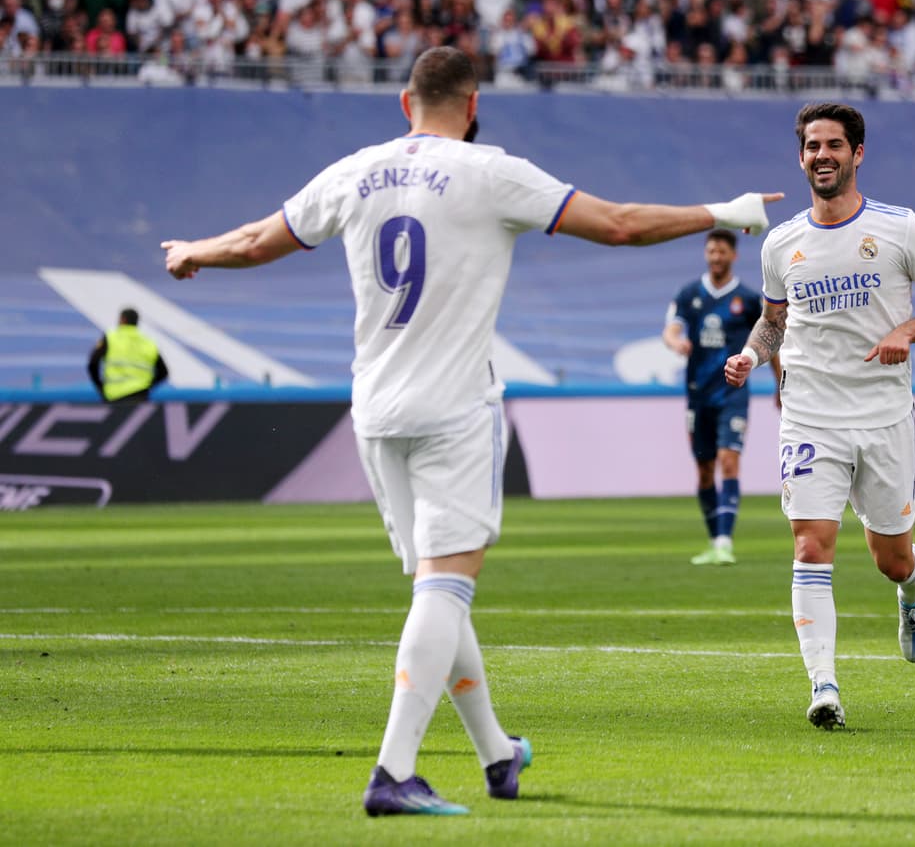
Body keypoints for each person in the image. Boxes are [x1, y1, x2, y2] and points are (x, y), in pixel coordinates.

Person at [160, 47, 780, 817]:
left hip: (376, 411)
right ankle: (393, 772)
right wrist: (723, 212)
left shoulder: (355, 170)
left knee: (437, 593)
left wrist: (195, 253)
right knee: (444, 588)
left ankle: (497, 753)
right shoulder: (491, 172)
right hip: (455, 409)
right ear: (474, 103)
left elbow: (256, 241)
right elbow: (619, 226)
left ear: (404, 102)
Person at [724, 103, 915, 731]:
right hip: (809, 416)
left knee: (890, 557)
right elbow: (775, 322)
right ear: (800, 157)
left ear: (858, 154)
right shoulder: (781, 243)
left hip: (883, 415)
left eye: (834, 145)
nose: (822, 156)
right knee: (811, 544)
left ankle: (913, 589)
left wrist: (906, 332)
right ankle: (824, 685)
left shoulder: (900, 228)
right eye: (812, 146)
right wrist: (752, 355)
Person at [663, 228, 780, 566]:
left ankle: (725, 542)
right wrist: (676, 343)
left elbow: (769, 341)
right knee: (704, 470)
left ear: (733, 256)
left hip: (732, 395)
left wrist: (778, 383)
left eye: (722, 252)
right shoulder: (689, 294)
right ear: (706, 254)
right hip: (698, 396)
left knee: (729, 461)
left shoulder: (746, 299)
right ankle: (715, 540)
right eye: (711, 251)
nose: (716, 257)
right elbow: (671, 329)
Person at [87, 308, 169, 402]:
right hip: (140, 396)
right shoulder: (149, 342)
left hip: (114, 396)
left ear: (122, 319)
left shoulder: (111, 337)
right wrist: (147, 387)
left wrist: (100, 387)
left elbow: (93, 363)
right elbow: (164, 372)